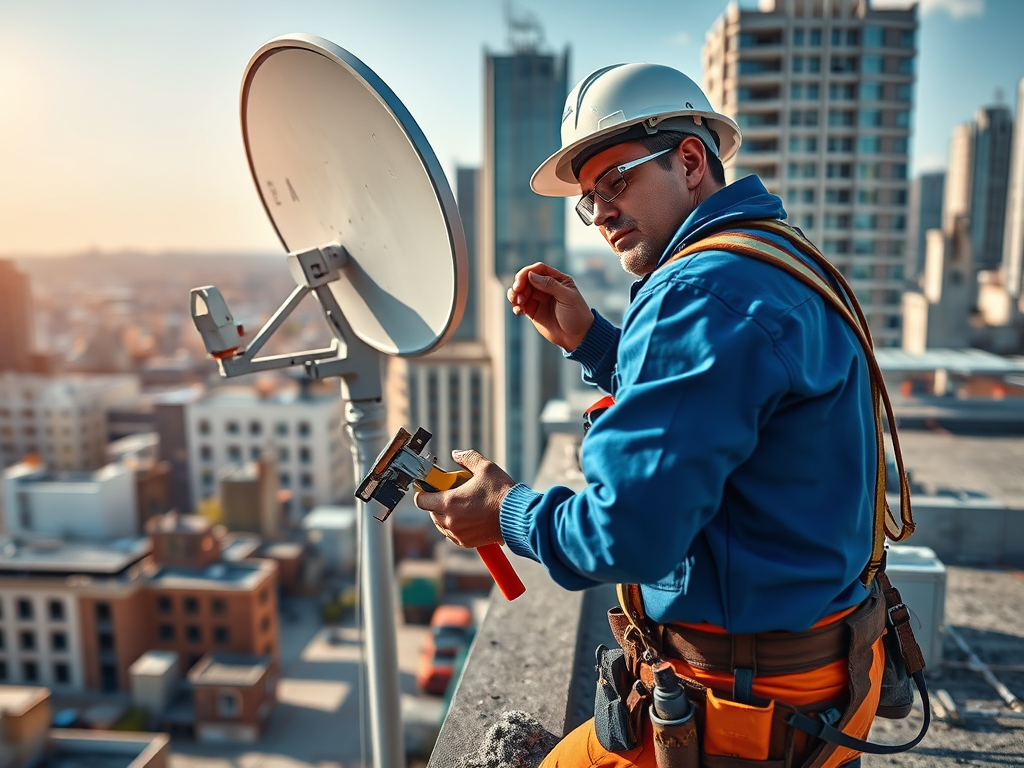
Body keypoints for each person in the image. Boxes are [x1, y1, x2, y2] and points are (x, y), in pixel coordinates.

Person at [415, 63, 911, 768]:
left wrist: (506, 513)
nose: (601, 213)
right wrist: (596, 344)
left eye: (615, 181)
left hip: (740, 708)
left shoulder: (693, 291)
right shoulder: (777, 256)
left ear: (689, 161)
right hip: (825, 688)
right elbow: (724, 411)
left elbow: (626, 534)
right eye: (589, 199)